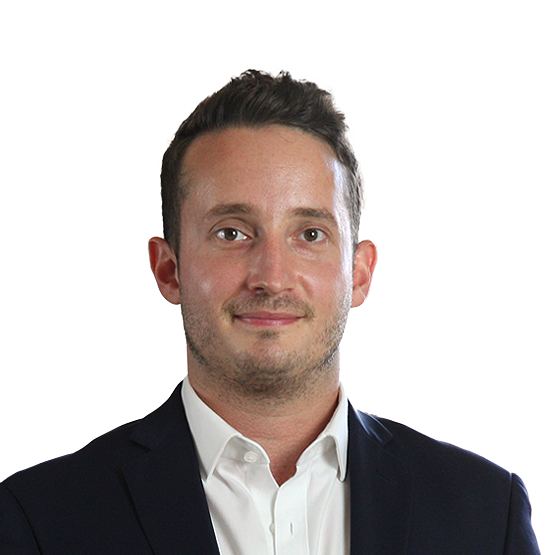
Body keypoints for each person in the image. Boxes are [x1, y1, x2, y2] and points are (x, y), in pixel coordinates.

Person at [0, 69, 540, 555]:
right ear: (168, 270)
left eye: (310, 234)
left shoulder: (487, 515)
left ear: (359, 274)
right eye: (231, 233)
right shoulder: (39, 519)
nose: (272, 277)